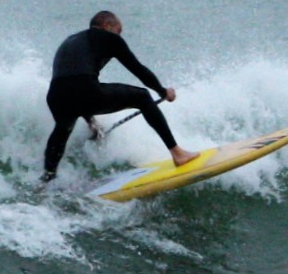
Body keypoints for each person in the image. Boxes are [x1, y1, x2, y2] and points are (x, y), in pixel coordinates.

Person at [41, 10, 199, 183]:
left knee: (63, 129)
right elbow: (137, 69)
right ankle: (178, 153)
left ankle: (48, 178)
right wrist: (162, 91)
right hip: (84, 90)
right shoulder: (109, 37)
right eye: (119, 30)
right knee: (143, 97)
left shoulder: (71, 41)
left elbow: (72, 84)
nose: (119, 35)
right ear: (107, 25)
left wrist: (92, 123)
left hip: (56, 96)